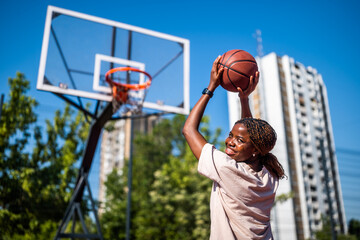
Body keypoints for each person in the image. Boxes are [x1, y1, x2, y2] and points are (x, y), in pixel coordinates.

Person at [182, 56, 285, 239]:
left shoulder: (227, 168)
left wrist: (211, 87)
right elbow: (251, 137)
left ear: (254, 150)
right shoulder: (270, 176)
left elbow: (189, 130)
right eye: (231, 135)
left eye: (239, 140)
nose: (230, 142)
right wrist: (244, 100)